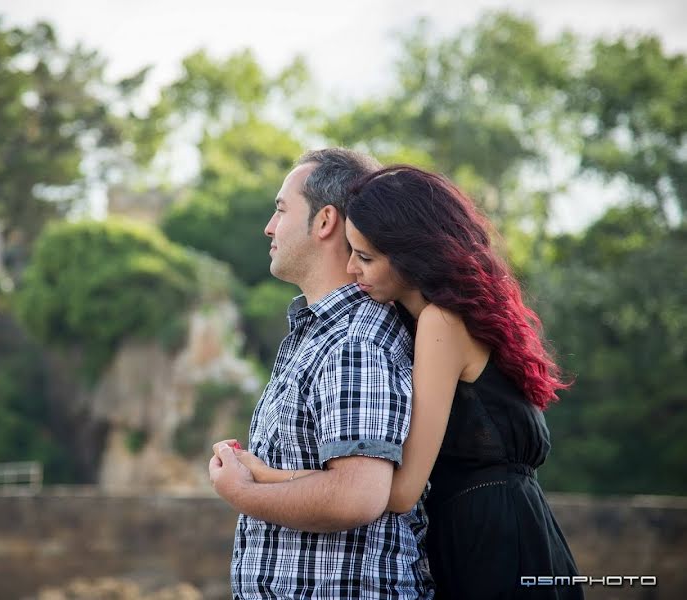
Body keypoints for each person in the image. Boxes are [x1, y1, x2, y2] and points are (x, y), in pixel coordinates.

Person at [225, 165, 583, 599]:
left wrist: (264, 478)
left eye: (367, 257)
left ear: (412, 254)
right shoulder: (427, 322)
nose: (353, 268)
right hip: (496, 529)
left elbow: (397, 492)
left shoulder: (440, 324)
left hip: (494, 543)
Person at [208, 149, 434, 599]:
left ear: (325, 220)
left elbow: (358, 496)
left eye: (281, 209)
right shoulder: (319, 336)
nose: (269, 228)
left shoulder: (355, 343)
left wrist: (242, 492)